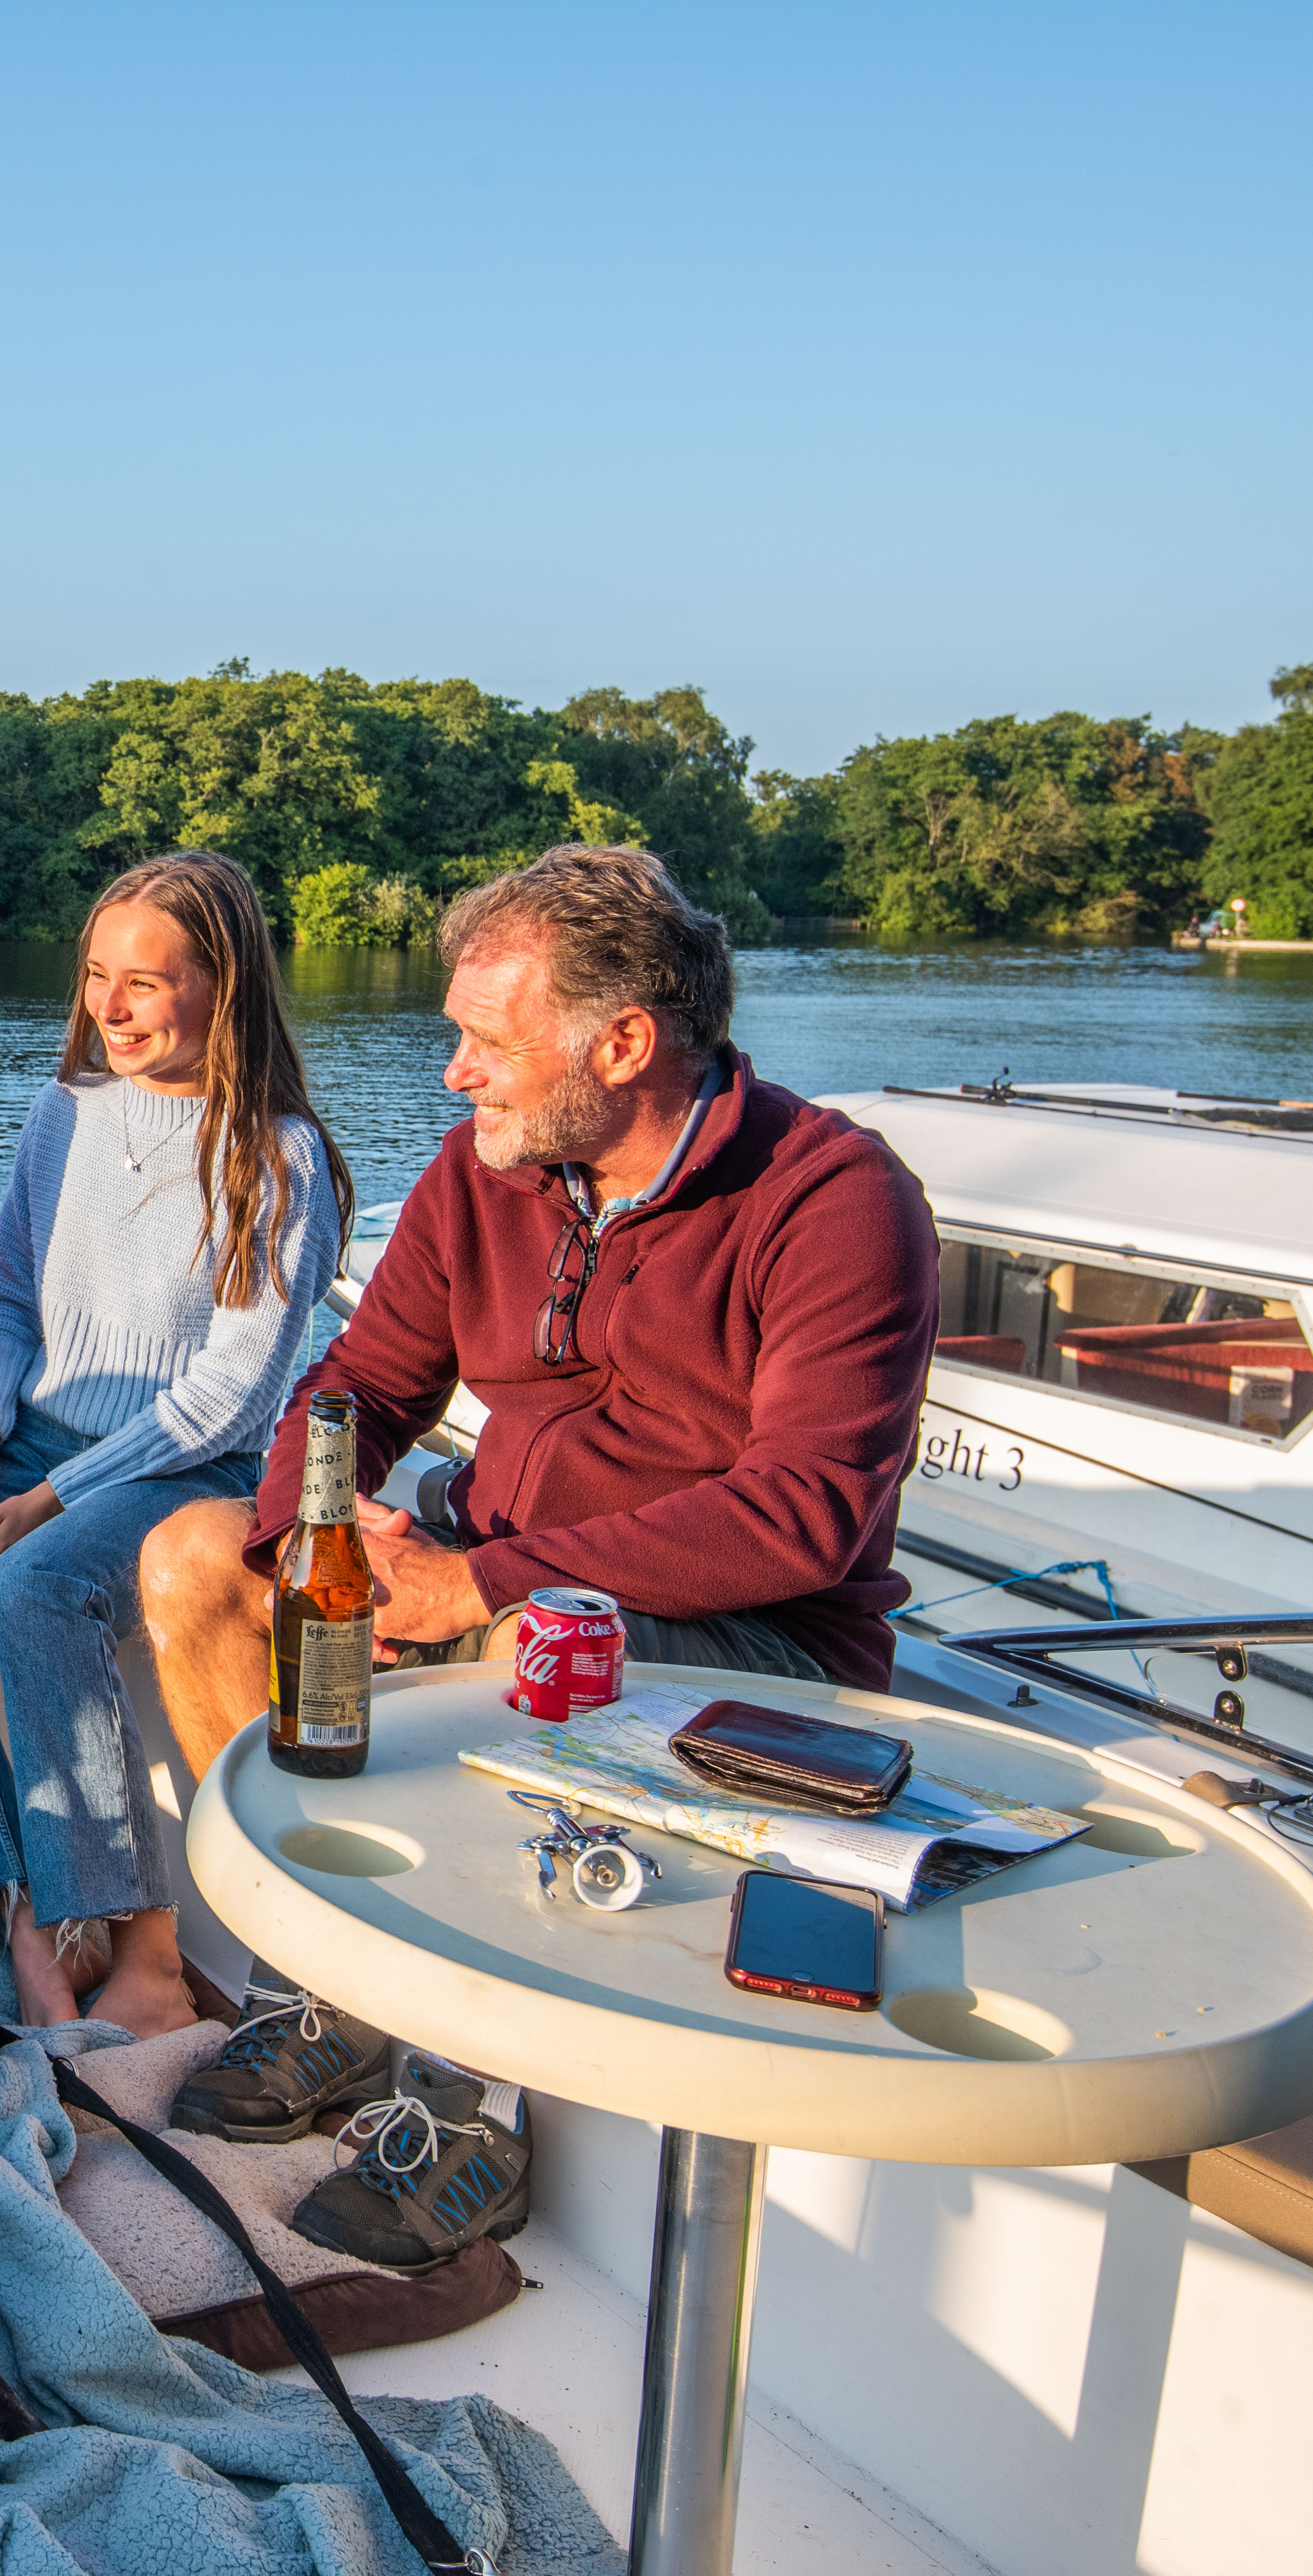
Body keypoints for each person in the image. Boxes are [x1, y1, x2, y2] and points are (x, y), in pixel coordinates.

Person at [136, 841, 939, 2139]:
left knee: (539, 1640)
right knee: (193, 1556)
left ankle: (466, 2114)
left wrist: (474, 1579)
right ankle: (323, 1988)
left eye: (484, 1044)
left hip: (758, 1634)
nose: (452, 1073)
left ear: (619, 1045)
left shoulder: (832, 1197)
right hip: (499, 1556)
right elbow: (362, 1384)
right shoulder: (481, 1166)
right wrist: (309, 1533)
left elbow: (805, 1509)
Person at [0, 852, 342, 2040]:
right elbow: (3, 1291)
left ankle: (125, 1938)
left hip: (177, 1465)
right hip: (30, 1440)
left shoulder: (277, 1154)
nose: (108, 1007)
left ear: (222, 988)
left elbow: (234, 1389)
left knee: (36, 1586)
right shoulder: (62, 1111)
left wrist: (56, 1493)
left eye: (146, 983)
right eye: (97, 975)